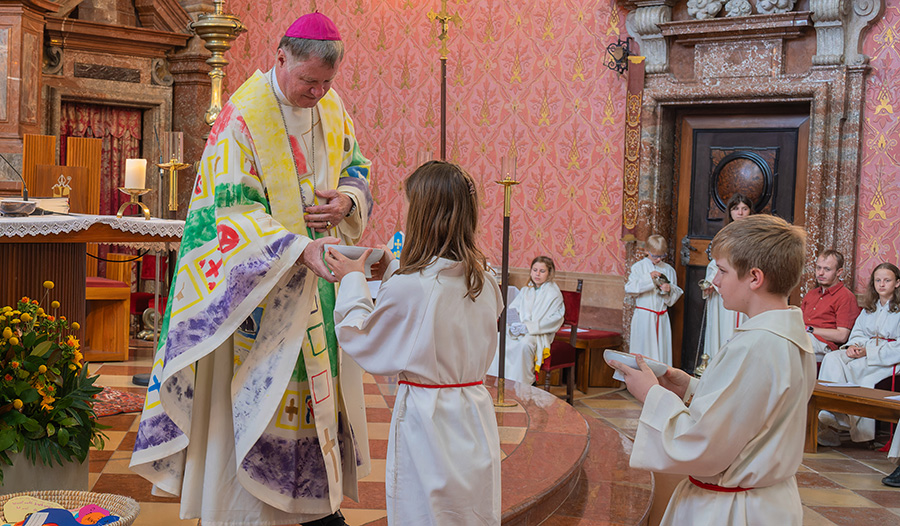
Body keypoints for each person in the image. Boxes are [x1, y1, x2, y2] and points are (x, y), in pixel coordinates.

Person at [130, 13, 372, 526]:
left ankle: (312, 510)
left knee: (315, 408)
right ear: (280, 57)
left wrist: (347, 202)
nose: (318, 93)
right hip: (255, 302)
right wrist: (295, 248)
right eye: (309, 81)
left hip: (318, 295)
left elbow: (357, 167)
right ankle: (251, 515)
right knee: (254, 411)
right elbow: (227, 215)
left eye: (327, 83)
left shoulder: (332, 109)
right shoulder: (242, 117)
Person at [325, 161, 503, 525]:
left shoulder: (412, 288)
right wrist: (392, 268)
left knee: (425, 511)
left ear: (422, 214)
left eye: (407, 205)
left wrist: (353, 281)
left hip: (429, 421)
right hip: (474, 415)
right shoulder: (485, 280)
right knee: (470, 512)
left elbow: (361, 339)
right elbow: (435, 309)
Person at [610, 214, 815, 526]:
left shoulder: (756, 346)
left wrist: (650, 394)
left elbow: (701, 443)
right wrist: (691, 388)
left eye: (722, 270)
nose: (715, 281)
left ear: (755, 277)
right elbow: (754, 412)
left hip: (732, 510)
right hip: (769, 502)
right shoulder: (790, 335)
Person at [817, 263, 900, 447]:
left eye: (887, 280)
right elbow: (858, 333)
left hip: (887, 358)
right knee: (832, 358)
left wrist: (868, 352)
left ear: (897, 283)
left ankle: (851, 422)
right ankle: (833, 410)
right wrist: (853, 346)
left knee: (858, 369)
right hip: (864, 349)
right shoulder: (871, 308)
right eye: (878, 280)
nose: (882, 284)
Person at [487, 255, 565, 385]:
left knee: (524, 344)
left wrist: (528, 327)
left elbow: (555, 319)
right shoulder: (525, 291)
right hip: (519, 330)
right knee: (498, 339)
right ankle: (498, 383)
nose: (537, 274)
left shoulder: (553, 293)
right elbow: (512, 310)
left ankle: (522, 384)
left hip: (538, 334)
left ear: (549, 273)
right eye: (535, 270)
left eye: (542, 271)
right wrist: (514, 325)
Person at [699, 194, 754, 360]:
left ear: (750, 211)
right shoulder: (723, 236)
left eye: (744, 208)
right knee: (721, 330)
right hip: (722, 288)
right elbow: (714, 263)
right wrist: (711, 281)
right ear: (730, 212)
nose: (740, 213)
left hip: (744, 288)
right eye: (736, 208)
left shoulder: (755, 236)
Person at [625, 234, 683, 365]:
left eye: (662, 256)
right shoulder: (638, 268)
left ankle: (661, 382)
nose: (658, 259)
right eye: (655, 256)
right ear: (646, 251)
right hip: (644, 318)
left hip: (661, 317)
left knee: (661, 353)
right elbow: (630, 288)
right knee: (643, 351)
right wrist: (648, 278)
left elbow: (671, 299)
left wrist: (669, 290)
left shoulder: (669, 270)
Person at [800, 249, 861, 362]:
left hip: (825, 346)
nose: (820, 273)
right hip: (804, 339)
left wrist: (809, 330)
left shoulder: (845, 296)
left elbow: (842, 336)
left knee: (790, 345)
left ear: (839, 272)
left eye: (827, 269)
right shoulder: (811, 294)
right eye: (818, 268)